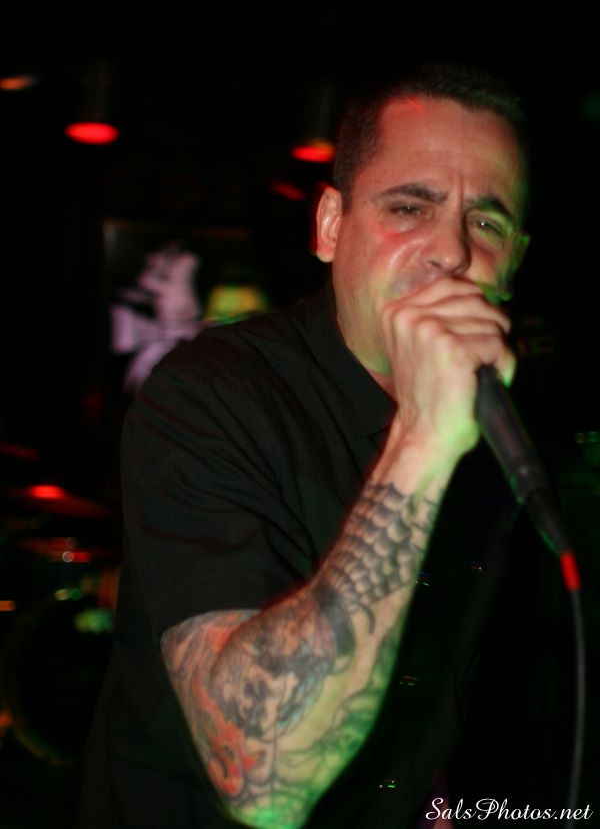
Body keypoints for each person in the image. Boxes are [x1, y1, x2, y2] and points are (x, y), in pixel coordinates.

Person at [78, 62, 531, 829]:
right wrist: (422, 439)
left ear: (516, 259)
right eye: (409, 207)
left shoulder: (518, 426)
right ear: (330, 226)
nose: (450, 252)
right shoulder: (211, 394)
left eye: (486, 223)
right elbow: (263, 781)